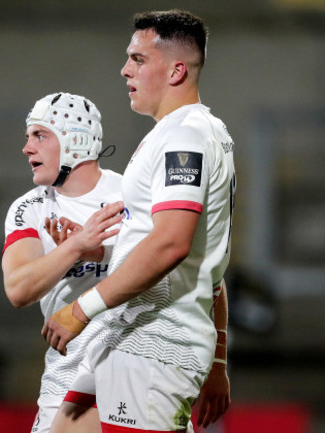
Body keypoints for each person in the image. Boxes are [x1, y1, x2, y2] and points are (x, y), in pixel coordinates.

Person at [43, 9, 236, 433]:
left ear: (176, 71)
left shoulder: (184, 137)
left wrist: (82, 308)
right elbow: (207, 263)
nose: (124, 69)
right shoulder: (199, 131)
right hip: (130, 338)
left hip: (154, 347)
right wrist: (106, 250)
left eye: (139, 59)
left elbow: (172, 244)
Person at [2, 91, 230, 433]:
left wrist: (218, 363)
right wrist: (76, 247)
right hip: (64, 378)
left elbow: (204, 274)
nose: (27, 148)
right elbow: (18, 289)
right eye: (28, 137)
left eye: (40, 135)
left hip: (135, 366)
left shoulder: (133, 195)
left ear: (74, 140)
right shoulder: (29, 208)